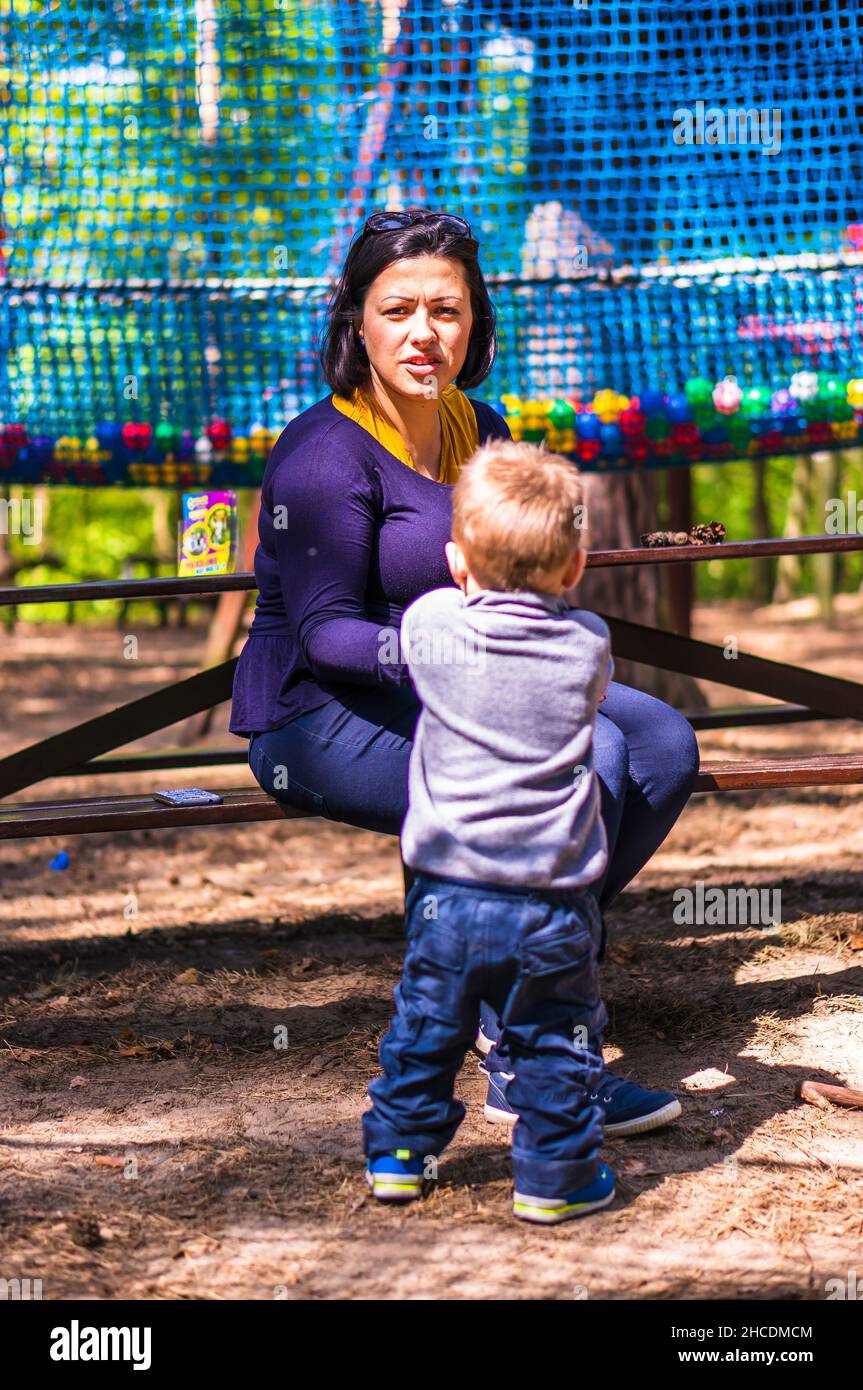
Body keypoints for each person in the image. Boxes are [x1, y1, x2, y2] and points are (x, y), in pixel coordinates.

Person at [230, 205, 699, 1128]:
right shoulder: (322, 453)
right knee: (579, 762)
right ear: (355, 320)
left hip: (454, 679)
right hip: (320, 712)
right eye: (397, 309)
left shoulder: (479, 425)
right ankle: (533, 1052)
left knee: (656, 741)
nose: (422, 333)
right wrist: (470, 660)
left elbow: (509, 568)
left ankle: (494, 974)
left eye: (445, 311)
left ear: (475, 320)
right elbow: (327, 638)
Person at [364, 440, 620, 1223]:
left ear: (454, 561)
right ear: (574, 568)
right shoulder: (586, 646)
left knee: (427, 1028)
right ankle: (555, 1177)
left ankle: (399, 1157)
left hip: (446, 891)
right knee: (552, 1040)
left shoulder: (430, 622)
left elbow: (437, 617)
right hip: (550, 899)